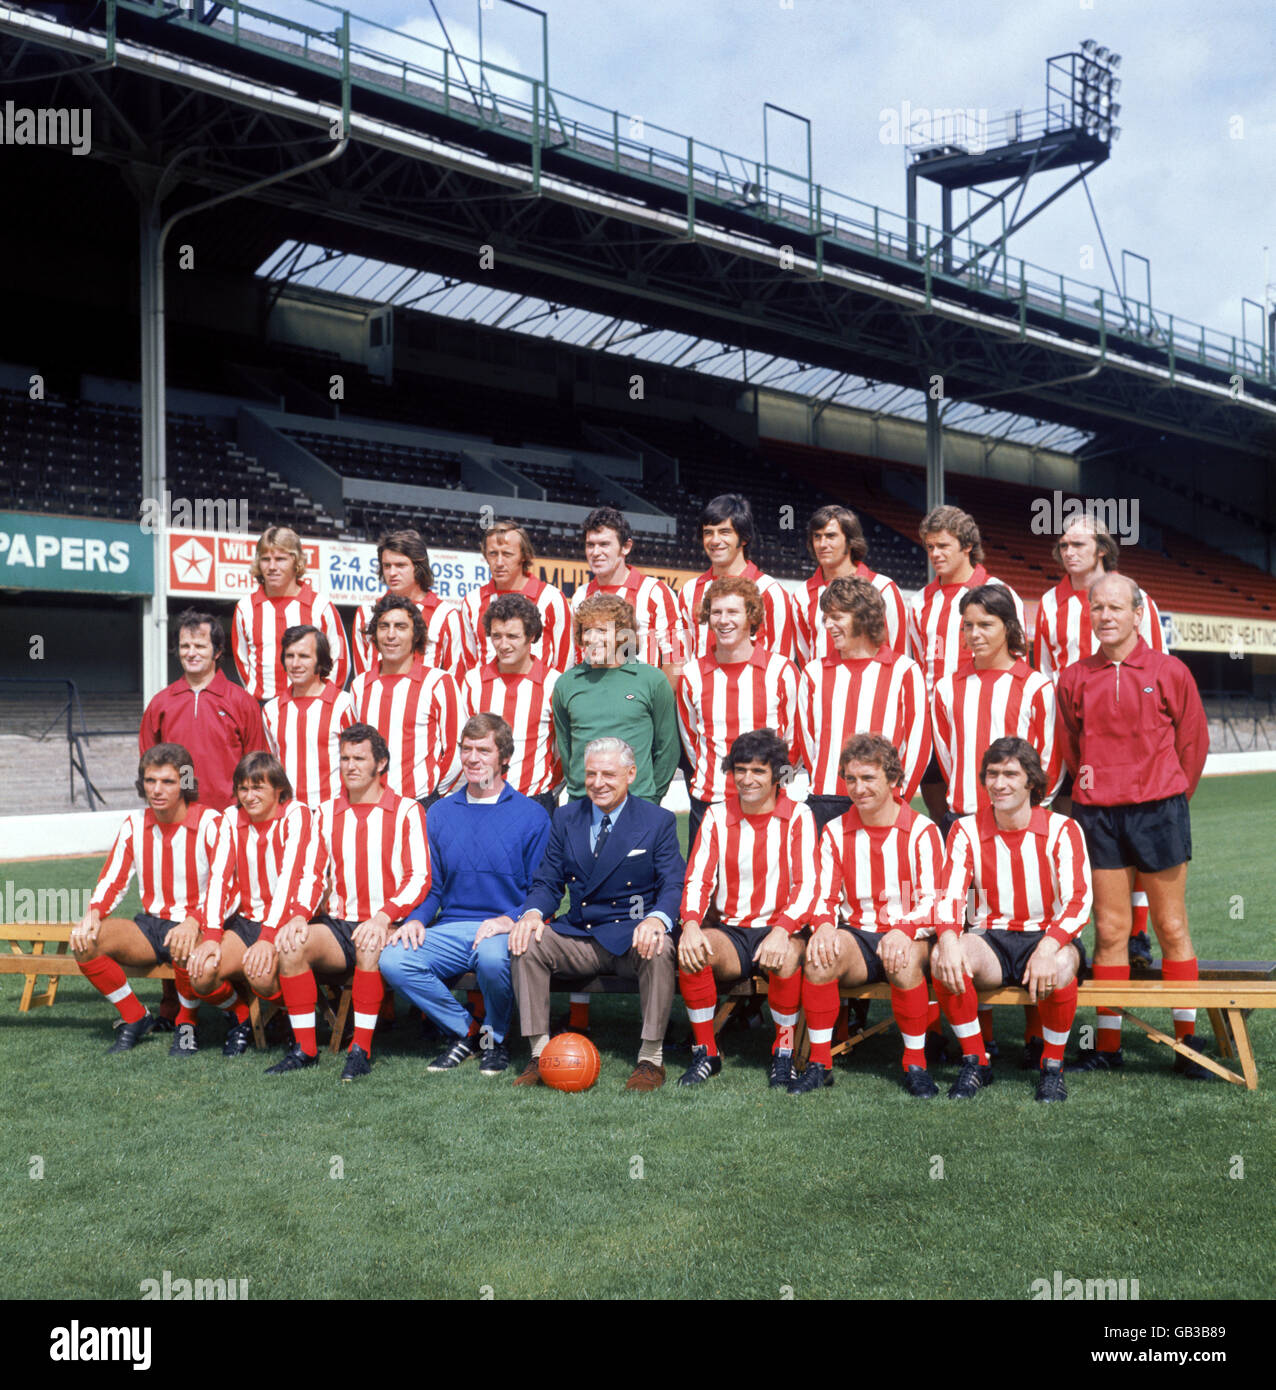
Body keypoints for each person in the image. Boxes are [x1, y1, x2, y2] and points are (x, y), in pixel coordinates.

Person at [1056, 572, 1212, 1080]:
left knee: (1170, 926)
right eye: (1096, 608)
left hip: (1160, 810)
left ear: (1138, 613)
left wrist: (1165, 793)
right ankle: (1107, 1046)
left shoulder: (1170, 671)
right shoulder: (1075, 676)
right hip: (1098, 813)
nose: (1104, 616)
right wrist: (1101, 788)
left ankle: (1187, 1044)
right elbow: (1071, 746)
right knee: (1111, 929)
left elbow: (1193, 744)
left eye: (1115, 608)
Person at [378, 715, 551, 1079]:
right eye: (466, 749)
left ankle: (496, 1039)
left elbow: (543, 889)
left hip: (505, 927)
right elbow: (433, 886)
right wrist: (415, 920)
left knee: (491, 958)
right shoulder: (439, 813)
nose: (472, 758)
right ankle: (468, 1031)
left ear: (504, 757)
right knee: (394, 959)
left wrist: (513, 919)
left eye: (483, 750)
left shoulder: (532, 815)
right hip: (454, 926)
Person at [509, 738, 685, 1091]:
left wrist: (656, 920)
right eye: (591, 774)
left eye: (609, 773)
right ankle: (540, 1055)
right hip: (581, 935)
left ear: (631, 774)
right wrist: (531, 913)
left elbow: (673, 884)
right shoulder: (565, 816)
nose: (598, 782)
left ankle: (651, 1059)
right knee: (527, 942)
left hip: (633, 938)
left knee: (662, 947)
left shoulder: (658, 821)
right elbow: (547, 882)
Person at [1034, 514, 1166, 970]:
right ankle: (1076, 936)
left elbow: (1157, 664)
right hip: (1068, 729)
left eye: (1078, 544)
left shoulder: (1132, 596)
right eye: (1064, 545)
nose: (1069, 552)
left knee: (1133, 834)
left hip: (1120, 731)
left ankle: (1137, 936)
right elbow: (1044, 669)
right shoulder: (1049, 602)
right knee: (1073, 836)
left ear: (1102, 549)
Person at [929, 738, 1091, 1103]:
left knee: (1064, 964)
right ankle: (976, 1060)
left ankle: (1052, 1067)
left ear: (1032, 782)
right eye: (992, 774)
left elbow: (1079, 901)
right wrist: (950, 940)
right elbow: (949, 896)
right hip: (992, 938)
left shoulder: (1064, 830)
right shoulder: (965, 830)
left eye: (1010, 774)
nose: (999, 783)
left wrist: (1049, 946)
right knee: (944, 959)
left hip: (1048, 936)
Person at [271, 723, 431, 1078]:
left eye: (360, 758)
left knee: (370, 947)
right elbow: (313, 872)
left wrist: (383, 917)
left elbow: (418, 877)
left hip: (386, 923)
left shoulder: (407, 811)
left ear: (381, 763)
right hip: (339, 924)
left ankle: (360, 1049)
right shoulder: (325, 812)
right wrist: (299, 915)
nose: (350, 766)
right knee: (292, 946)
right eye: (344, 758)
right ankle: (305, 1049)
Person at [792, 734, 945, 1097]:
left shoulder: (922, 831)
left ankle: (916, 1063)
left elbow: (935, 901)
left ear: (893, 780)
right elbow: (824, 895)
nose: (858, 789)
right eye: (851, 779)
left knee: (903, 961)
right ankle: (819, 1064)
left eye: (868, 778)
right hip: (858, 934)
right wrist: (825, 926)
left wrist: (905, 930)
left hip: (910, 934)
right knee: (818, 957)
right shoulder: (834, 830)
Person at [676, 729, 819, 1088]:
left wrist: (783, 930)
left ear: (776, 774)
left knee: (785, 957)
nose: (747, 779)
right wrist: (691, 925)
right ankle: (706, 1052)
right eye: (740, 770)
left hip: (782, 928)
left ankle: (783, 1052)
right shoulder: (716, 816)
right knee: (694, 951)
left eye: (758, 770)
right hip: (733, 930)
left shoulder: (798, 815)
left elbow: (808, 886)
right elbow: (698, 880)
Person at [70, 744, 234, 1056]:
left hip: (197, 923)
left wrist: (194, 921)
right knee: (85, 941)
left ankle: (187, 1023)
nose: (157, 790)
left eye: (168, 782)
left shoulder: (211, 822)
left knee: (182, 942)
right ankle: (134, 1016)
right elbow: (113, 879)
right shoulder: (134, 824)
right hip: (151, 925)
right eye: (150, 781)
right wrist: (93, 913)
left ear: (184, 783)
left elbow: (226, 884)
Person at [185, 752, 328, 1056]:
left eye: (257, 788)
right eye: (242, 789)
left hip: (288, 921)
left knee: (261, 976)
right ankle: (244, 1018)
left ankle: (295, 1018)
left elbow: (293, 878)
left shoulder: (296, 814)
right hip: (246, 922)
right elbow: (219, 879)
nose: (248, 797)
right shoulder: (230, 819)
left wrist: (268, 938)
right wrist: (211, 937)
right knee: (200, 974)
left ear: (279, 788)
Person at [906, 506, 1025, 822]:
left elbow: (1018, 657)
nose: (935, 554)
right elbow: (918, 663)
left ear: (967, 546)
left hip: (984, 718)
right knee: (941, 812)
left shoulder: (1000, 591)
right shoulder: (920, 601)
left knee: (990, 804)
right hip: (935, 723)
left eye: (943, 546)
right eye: (930, 547)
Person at [676, 575, 800, 851]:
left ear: (751, 616)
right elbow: (692, 740)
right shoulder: (691, 674)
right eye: (716, 612)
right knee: (708, 887)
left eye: (733, 611)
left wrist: (771, 784)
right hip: (709, 801)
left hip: (767, 801)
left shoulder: (782, 671)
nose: (723, 620)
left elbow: (794, 740)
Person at [797, 577, 929, 830]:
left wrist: (897, 797)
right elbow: (809, 743)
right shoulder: (814, 672)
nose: (829, 625)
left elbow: (918, 746)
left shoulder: (905, 671)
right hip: (825, 800)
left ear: (864, 617)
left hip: (883, 801)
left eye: (837, 617)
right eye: (826, 618)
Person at [931, 584, 1061, 834]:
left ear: (1008, 627)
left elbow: (1050, 758)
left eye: (985, 625)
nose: (975, 634)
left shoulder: (1036, 687)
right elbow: (948, 757)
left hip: (1017, 823)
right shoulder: (946, 688)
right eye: (968, 625)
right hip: (961, 820)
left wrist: (1027, 810)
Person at [551, 594, 680, 804]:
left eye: (602, 630)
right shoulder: (566, 684)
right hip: (582, 805)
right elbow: (566, 748)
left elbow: (668, 748)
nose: (591, 638)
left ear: (622, 635)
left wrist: (650, 799)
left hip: (638, 804)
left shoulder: (652, 680)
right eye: (586, 630)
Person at [140, 608, 267, 813]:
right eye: (185, 646)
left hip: (230, 815)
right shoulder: (160, 704)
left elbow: (256, 764)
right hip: (178, 814)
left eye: (199, 646)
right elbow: (149, 763)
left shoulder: (242, 702)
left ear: (217, 652)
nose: (191, 653)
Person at [350, 594, 462, 805]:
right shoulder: (359, 686)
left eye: (400, 627)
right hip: (371, 805)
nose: (391, 635)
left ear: (416, 635)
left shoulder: (439, 682)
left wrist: (435, 795)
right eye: (384, 626)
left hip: (422, 803)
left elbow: (457, 749)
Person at [460, 593, 562, 818]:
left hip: (534, 800)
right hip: (482, 800)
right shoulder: (473, 681)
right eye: (497, 636)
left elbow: (562, 752)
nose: (503, 645)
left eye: (512, 636)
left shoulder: (554, 683)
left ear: (532, 636)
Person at [232, 525, 349, 700]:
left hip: (312, 704)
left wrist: (323, 701)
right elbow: (242, 661)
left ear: (296, 561)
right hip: (262, 706)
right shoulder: (245, 607)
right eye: (265, 559)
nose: (272, 566)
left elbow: (339, 660)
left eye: (280, 559)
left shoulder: (320, 606)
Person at [572, 506, 685, 677]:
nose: (595, 552)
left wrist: (657, 701)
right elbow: (578, 656)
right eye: (590, 545)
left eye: (604, 544)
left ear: (626, 547)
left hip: (642, 700)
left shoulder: (655, 592)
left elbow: (676, 657)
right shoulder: (581, 595)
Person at [679, 494, 795, 660]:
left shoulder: (771, 591)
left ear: (744, 538)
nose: (715, 540)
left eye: (725, 532)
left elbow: (782, 662)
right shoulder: (689, 591)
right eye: (708, 533)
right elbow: (682, 656)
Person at [791, 504, 907, 664]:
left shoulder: (884, 588)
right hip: (824, 688)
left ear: (850, 541)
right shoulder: (801, 594)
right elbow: (806, 658)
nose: (822, 544)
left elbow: (898, 653)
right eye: (817, 536)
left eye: (830, 536)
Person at [459, 520, 572, 673]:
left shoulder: (552, 598)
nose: (499, 562)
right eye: (493, 554)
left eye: (507, 554)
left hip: (540, 694)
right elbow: (470, 662)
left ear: (524, 556)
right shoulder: (472, 601)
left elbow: (565, 661)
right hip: (488, 694)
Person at [262, 624, 356, 807]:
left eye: (304, 656)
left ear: (320, 662)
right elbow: (270, 768)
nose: (295, 664)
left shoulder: (345, 705)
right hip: (288, 814)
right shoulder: (271, 710)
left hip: (335, 812)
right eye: (290, 656)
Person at [352, 529, 463, 678]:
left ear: (418, 566)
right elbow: (361, 676)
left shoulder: (446, 615)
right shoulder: (366, 612)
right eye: (387, 566)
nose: (392, 573)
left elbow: (454, 678)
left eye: (400, 565)